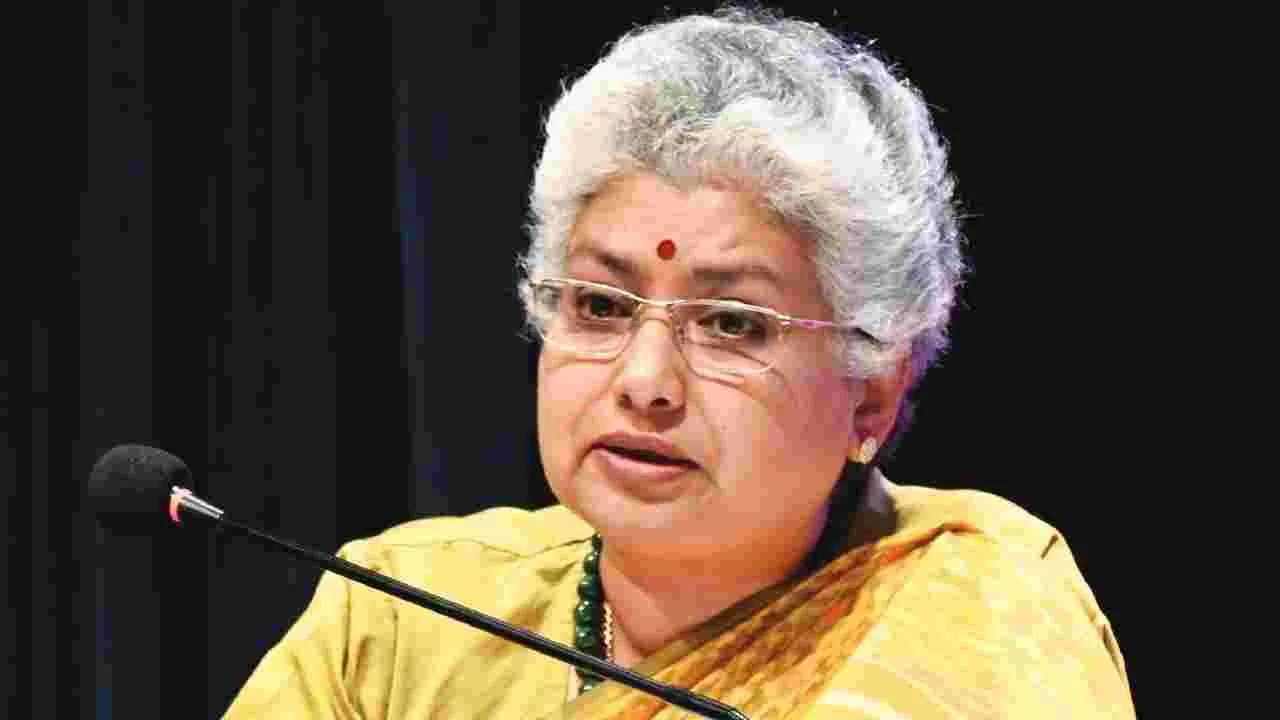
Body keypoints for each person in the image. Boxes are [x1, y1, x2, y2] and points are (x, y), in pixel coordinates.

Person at [224, 7, 1134, 719]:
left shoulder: (979, 610)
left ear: (872, 400)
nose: (645, 381)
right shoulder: (400, 620)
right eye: (601, 305)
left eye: (733, 324)